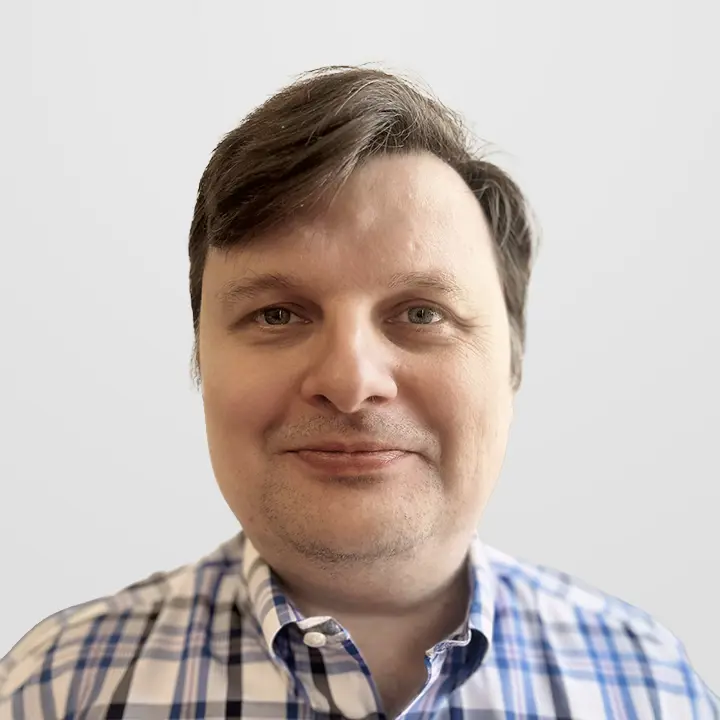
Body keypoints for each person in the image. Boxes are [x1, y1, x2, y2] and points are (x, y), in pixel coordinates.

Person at [0, 65, 717, 720]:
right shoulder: (53, 691)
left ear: (513, 366)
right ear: (200, 360)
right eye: (277, 315)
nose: (349, 383)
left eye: (422, 314)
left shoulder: (652, 688)